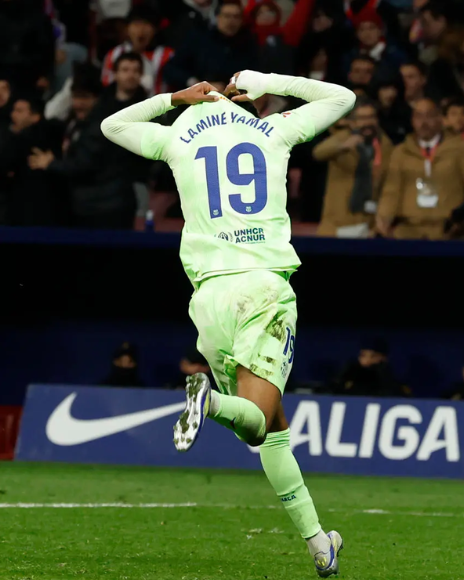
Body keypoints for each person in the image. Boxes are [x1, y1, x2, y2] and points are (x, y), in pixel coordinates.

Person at [101, 70, 355, 577]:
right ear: (241, 102)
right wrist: (265, 80)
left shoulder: (177, 140)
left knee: (266, 430)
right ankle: (208, 399)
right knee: (257, 417)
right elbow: (341, 97)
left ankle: (318, 543)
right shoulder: (274, 130)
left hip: (209, 298)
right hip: (262, 286)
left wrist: (174, 97)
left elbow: (113, 124)